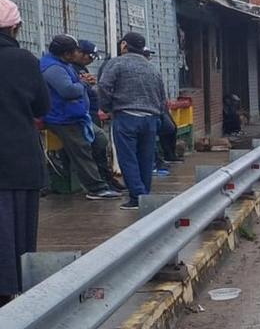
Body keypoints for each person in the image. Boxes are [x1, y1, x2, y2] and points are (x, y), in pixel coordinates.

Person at [0, 0, 50, 303]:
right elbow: (42, 106)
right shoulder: (25, 61)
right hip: (19, 157)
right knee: (17, 229)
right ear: (15, 27)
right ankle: (12, 291)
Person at [40, 34, 122, 200]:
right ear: (67, 53)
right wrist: (83, 84)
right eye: (76, 51)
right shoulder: (53, 68)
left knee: (100, 139)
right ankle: (96, 188)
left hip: (76, 116)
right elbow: (68, 91)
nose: (79, 54)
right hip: (64, 118)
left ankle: (101, 180)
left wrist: (82, 81)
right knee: (82, 151)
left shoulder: (64, 65)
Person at [97, 31, 167, 210]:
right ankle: (145, 196)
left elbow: (104, 86)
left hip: (126, 117)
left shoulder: (117, 63)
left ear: (124, 46)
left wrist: (106, 107)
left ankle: (137, 196)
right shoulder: (152, 68)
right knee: (146, 158)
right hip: (150, 119)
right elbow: (161, 96)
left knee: (128, 159)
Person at [70, 39, 123, 191]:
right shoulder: (70, 69)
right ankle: (100, 181)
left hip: (91, 111)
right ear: (80, 53)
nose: (91, 61)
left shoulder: (82, 69)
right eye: (90, 57)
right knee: (97, 146)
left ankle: (105, 179)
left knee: (100, 148)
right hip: (83, 114)